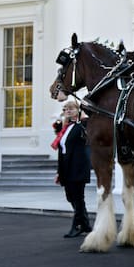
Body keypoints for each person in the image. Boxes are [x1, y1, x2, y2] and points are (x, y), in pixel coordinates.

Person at [52, 99, 92, 238]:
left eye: (71, 109)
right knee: (70, 197)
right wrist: (58, 171)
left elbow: (89, 122)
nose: (68, 111)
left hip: (78, 166)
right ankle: (85, 223)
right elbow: (61, 150)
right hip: (66, 167)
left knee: (78, 197)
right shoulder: (66, 128)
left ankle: (77, 226)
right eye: (65, 109)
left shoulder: (83, 125)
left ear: (78, 110)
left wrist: (83, 115)